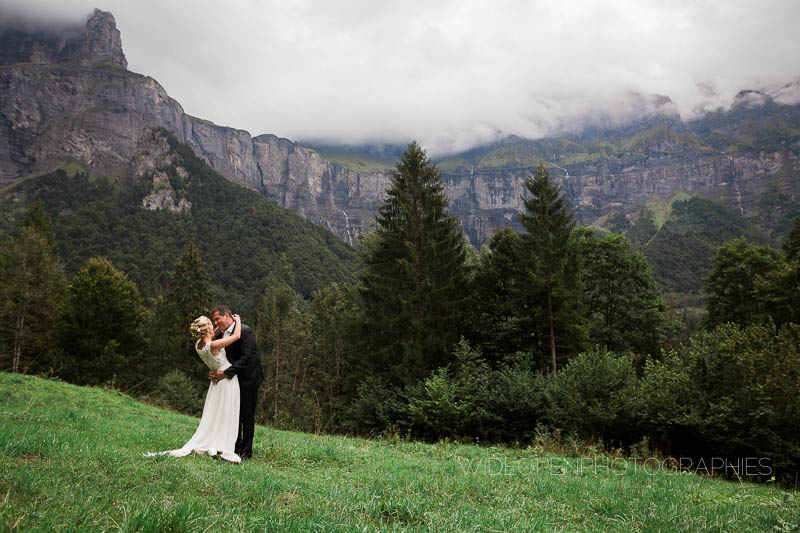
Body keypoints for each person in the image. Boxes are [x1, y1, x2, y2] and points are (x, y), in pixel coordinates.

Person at [145, 314, 243, 463]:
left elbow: (213, 333)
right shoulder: (214, 345)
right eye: (211, 323)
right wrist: (237, 320)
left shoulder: (199, 344)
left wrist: (214, 327)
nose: (213, 326)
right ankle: (223, 443)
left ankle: (215, 439)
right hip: (226, 380)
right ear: (206, 329)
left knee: (217, 412)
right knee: (226, 411)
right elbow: (237, 335)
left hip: (215, 382)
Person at [209, 305, 263, 460]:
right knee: (233, 414)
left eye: (218, 319)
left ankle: (246, 452)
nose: (216, 322)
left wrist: (225, 373)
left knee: (247, 415)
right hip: (233, 380)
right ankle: (234, 447)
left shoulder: (245, 331)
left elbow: (247, 357)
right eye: (214, 320)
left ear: (227, 316)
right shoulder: (222, 334)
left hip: (248, 379)